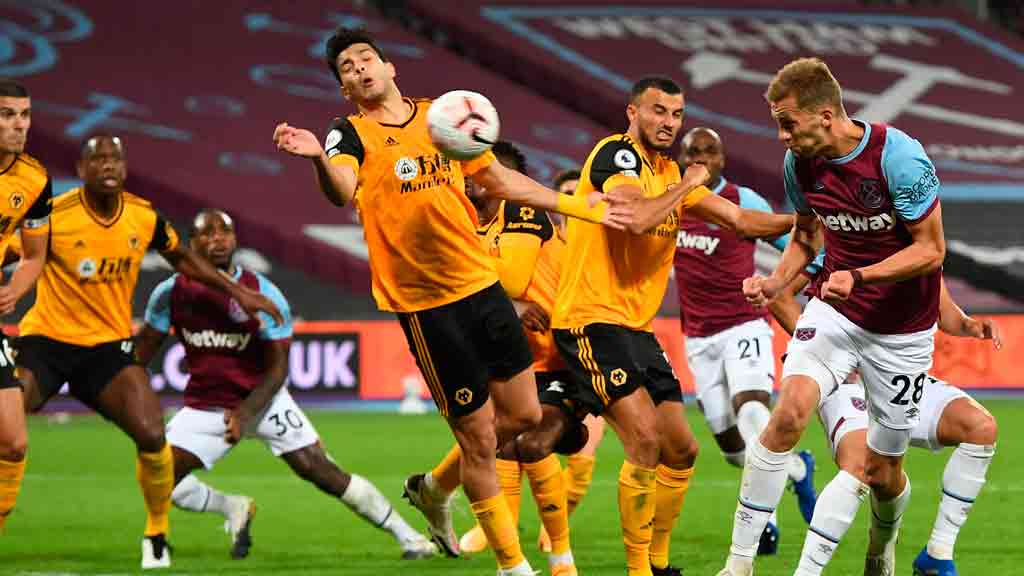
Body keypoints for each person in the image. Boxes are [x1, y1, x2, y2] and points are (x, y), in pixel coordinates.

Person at [272, 27, 630, 576]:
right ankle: (514, 567)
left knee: (525, 415)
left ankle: (437, 488)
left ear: (391, 68)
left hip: (482, 289)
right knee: (480, 440)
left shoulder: (443, 118)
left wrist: (580, 206)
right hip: (426, 305)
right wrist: (318, 157)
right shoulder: (351, 133)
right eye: (347, 67)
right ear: (344, 88)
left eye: (367, 58)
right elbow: (342, 189)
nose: (359, 69)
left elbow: (500, 179)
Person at [550, 76, 794, 576]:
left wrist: (810, 222)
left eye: (676, 114)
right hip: (590, 321)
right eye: (658, 111)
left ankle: (659, 563)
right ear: (632, 113)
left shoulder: (667, 174)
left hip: (635, 330)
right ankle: (640, 571)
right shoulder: (616, 156)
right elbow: (636, 217)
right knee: (643, 441)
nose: (668, 122)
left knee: (682, 450)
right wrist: (688, 184)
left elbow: (742, 221)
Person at [719, 57, 946, 576]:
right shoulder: (801, 163)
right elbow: (805, 235)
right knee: (787, 415)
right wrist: (777, 282)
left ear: (825, 115)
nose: (780, 136)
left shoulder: (899, 157)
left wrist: (862, 276)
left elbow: (931, 251)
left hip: (902, 332)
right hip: (836, 313)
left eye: (787, 122)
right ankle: (738, 565)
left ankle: (880, 546)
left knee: (883, 472)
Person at [14, 135, 282, 569]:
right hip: (46, 342)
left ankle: (156, 535)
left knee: (154, 436)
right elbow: (14, 250)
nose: (108, 165)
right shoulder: (52, 215)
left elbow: (183, 259)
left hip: (106, 349)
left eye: (116, 158)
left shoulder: (143, 216)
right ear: (80, 169)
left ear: (125, 167)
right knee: (6, 435)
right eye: (98, 158)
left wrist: (238, 292)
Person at [135, 209, 437, 561]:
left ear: (235, 240)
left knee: (322, 471)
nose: (218, 238)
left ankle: (410, 538)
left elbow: (278, 369)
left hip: (263, 401)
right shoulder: (170, 293)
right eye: (208, 232)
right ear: (191, 244)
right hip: (208, 404)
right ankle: (230, 507)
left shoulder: (263, 293)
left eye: (226, 231)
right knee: (159, 475)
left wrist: (246, 412)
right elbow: (143, 350)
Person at [767, 262, 997, 576]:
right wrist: (828, 357)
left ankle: (936, 554)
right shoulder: (842, 240)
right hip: (847, 381)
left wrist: (972, 326)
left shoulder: (923, 249)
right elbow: (779, 295)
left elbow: (946, 314)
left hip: (897, 379)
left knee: (980, 429)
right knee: (861, 467)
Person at [673, 127, 816, 555]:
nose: (701, 158)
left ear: (722, 158)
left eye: (709, 152)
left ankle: (764, 525)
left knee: (753, 413)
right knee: (736, 451)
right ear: (683, 158)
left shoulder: (743, 201)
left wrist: (792, 281)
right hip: (698, 338)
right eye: (693, 152)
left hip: (743, 326)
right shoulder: (673, 201)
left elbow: (795, 242)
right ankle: (795, 469)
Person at [0, 79, 52, 534]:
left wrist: (14, 290)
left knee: (14, 443)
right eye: (5, 114)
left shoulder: (33, 178)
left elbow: (35, 255)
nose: (18, 125)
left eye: (24, 115)